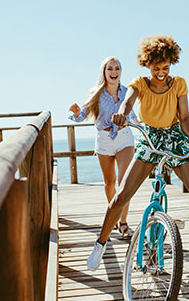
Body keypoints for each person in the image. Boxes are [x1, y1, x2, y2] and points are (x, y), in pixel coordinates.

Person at [86, 36, 189, 274]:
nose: (161, 73)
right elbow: (127, 102)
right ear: (148, 65)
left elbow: (184, 117)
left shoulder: (178, 84)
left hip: (175, 137)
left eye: (165, 68)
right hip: (150, 138)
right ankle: (100, 244)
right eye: (156, 68)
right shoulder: (140, 83)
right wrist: (121, 115)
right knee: (122, 194)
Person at [68, 56, 138, 241]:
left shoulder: (127, 92)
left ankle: (123, 223)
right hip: (104, 140)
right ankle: (114, 213)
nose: (114, 72)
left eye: (117, 68)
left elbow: (134, 117)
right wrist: (76, 113)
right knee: (110, 183)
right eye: (110, 69)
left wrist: (147, 128)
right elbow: (82, 116)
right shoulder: (95, 93)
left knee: (125, 184)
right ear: (104, 72)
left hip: (124, 139)